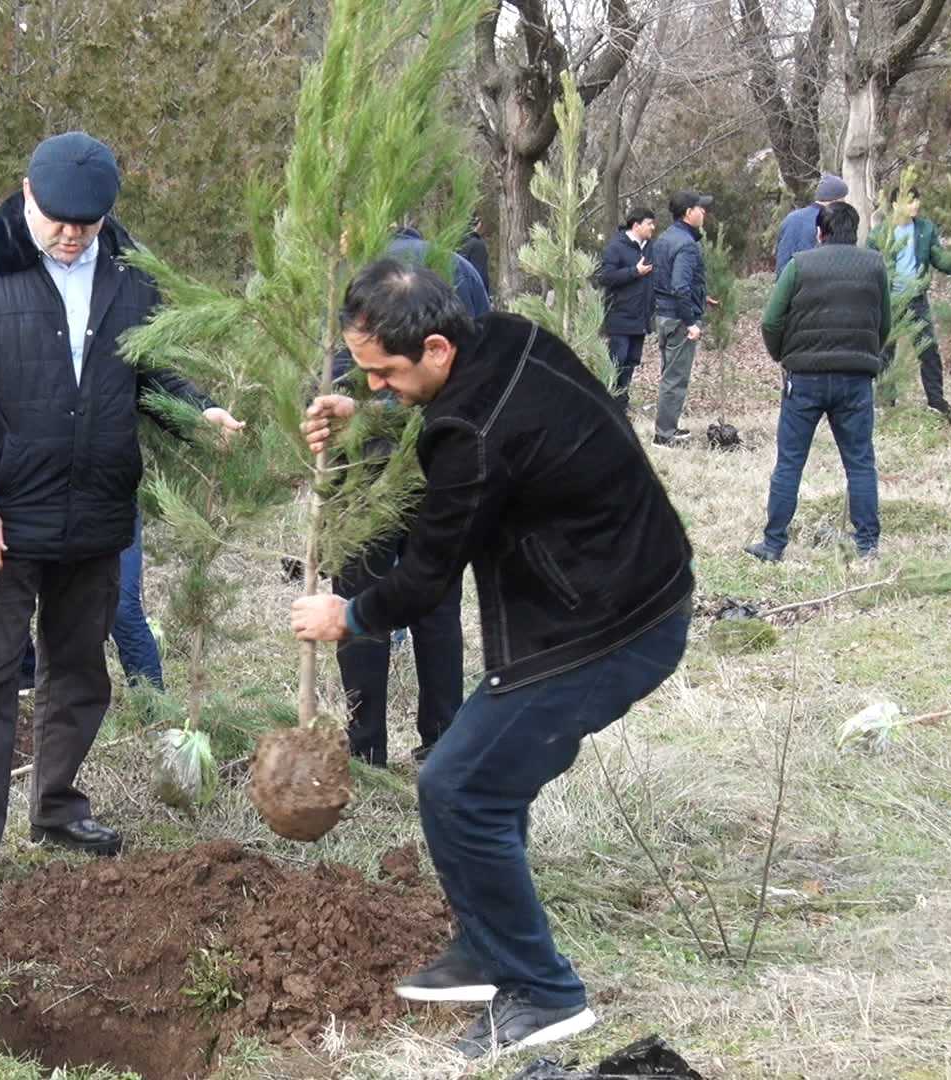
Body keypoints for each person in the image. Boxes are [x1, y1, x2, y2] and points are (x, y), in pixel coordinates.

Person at [290, 258, 693, 1058]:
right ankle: (489, 943)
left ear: (438, 348)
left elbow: (425, 580)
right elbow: (458, 426)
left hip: (611, 622)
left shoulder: (470, 436)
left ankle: (543, 992)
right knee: (485, 781)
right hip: (610, 587)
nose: (375, 388)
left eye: (383, 374)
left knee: (458, 784)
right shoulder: (507, 338)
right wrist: (369, 418)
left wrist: (348, 615)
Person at [0, 131, 241, 908]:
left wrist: (200, 414)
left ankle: (58, 807)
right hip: (0, 521)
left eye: (86, 225)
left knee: (79, 674)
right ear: (26, 194)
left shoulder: (130, 270)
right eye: (59, 220)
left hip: (96, 513)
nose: (71, 235)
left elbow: (152, 364)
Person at [327, 226, 490, 766]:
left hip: (364, 457)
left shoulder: (358, 278)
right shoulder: (460, 270)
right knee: (438, 599)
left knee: (359, 599)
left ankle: (365, 746)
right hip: (440, 451)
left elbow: (335, 374)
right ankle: (443, 737)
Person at [744, 201, 890, 562]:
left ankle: (774, 544)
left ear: (819, 232)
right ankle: (867, 544)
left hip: (804, 378)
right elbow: (884, 321)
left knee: (790, 463)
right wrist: (867, 354)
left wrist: (782, 355)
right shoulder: (874, 265)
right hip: (856, 378)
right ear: (853, 232)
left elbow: (771, 321)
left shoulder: (800, 265)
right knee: (859, 462)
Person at [868, 189, 951, 426]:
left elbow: (938, 257)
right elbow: (870, 266)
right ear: (895, 204)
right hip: (890, 301)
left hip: (917, 300)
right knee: (885, 352)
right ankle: (885, 402)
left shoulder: (925, 229)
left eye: (917, 200)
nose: (915, 205)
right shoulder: (880, 234)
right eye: (909, 201)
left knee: (929, 351)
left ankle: (936, 401)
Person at [649, 190, 710, 447]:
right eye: (700, 208)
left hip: (663, 315)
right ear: (688, 213)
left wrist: (702, 297)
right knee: (675, 378)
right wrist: (691, 323)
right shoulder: (686, 244)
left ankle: (667, 428)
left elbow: (668, 281)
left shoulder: (664, 239)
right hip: (678, 319)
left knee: (669, 374)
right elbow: (680, 286)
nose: (704, 212)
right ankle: (664, 436)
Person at [596, 208, 657, 406]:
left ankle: (622, 401)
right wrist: (634, 272)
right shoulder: (616, 247)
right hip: (620, 316)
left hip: (641, 317)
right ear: (636, 225)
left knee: (631, 361)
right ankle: (609, 403)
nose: (653, 227)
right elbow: (604, 277)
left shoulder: (650, 247)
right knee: (617, 361)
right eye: (649, 223)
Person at [775, 173, 849, 274]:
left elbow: (782, 264)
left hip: (794, 282)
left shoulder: (791, 219)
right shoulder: (835, 222)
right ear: (837, 200)